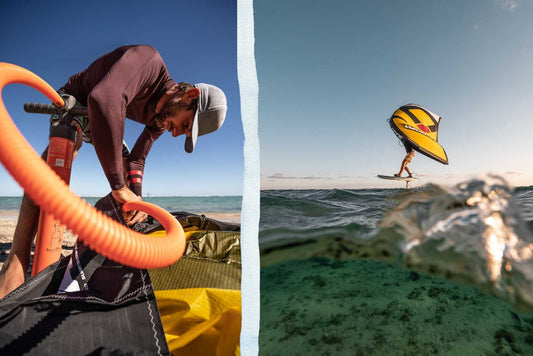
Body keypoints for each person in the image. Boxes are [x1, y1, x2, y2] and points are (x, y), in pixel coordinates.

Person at [0, 45, 227, 298]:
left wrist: (136, 200)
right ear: (190, 95)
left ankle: (123, 222)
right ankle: (16, 261)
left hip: (104, 113)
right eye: (184, 124)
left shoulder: (159, 120)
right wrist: (119, 188)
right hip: (77, 99)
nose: (174, 132)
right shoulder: (148, 60)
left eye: (182, 133)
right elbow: (103, 98)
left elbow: (138, 160)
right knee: (63, 152)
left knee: (125, 164)